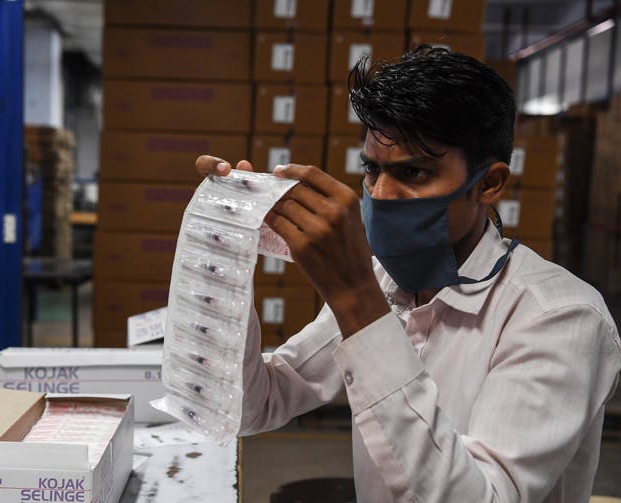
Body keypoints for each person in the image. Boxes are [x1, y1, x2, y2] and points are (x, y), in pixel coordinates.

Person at [195, 47, 621, 502]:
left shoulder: (559, 318)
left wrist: (354, 297)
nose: (381, 194)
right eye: (372, 169)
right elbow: (254, 405)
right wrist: (227, 263)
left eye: (414, 172)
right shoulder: (387, 282)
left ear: (489, 183)